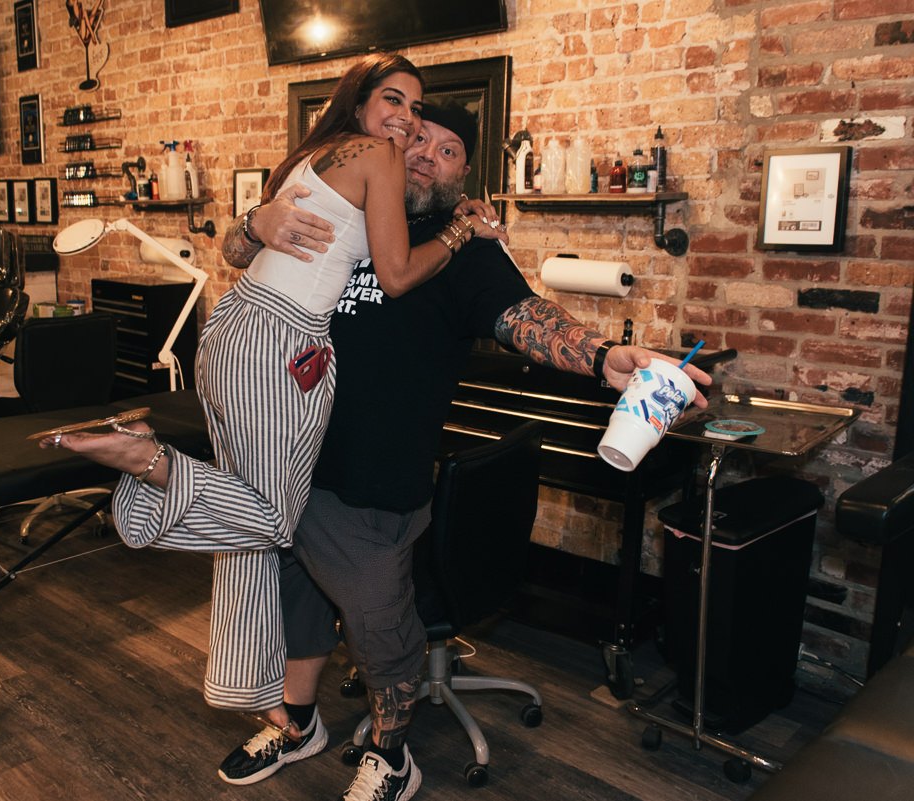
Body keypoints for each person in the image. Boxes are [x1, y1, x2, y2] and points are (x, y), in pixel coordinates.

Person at [215, 100, 713, 800]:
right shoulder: (353, 217)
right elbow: (246, 257)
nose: (426, 154)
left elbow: (524, 315)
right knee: (293, 597)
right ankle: (298, 724)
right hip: (288, 456)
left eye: (448, 150)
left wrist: (602, 355)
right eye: (418, 138)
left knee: (381, 629)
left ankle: (392, 756)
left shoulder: (468, 252)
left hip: (374, 479)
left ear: (465, 173)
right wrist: (255, 220)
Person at [46, 56, 503, 729]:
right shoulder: (376, 155)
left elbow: (247, 250)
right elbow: (398, 275)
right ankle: (152, 463)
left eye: (416, 110)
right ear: (360, 102)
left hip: (238, 327)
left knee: (258, 531)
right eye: (394, 102)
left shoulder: (314, 154)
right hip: (279, 340)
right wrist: (463, 231)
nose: (407, 122)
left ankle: (262, 694)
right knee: (274, 518)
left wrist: (255, 222)